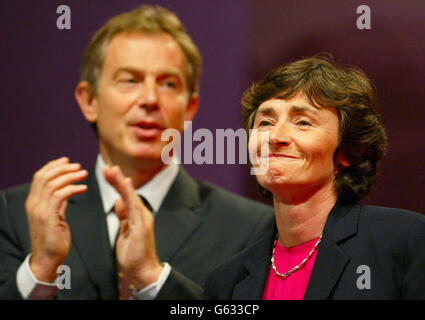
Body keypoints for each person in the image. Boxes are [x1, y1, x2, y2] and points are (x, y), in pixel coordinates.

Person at [0, 4, 273, 300]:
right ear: (89, 100)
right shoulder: (16, 214)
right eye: (129, 80)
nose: (150, 99)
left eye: (168, 83)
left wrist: (153, 279)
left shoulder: (248, 228)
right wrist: (40, 272)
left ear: (189, 108)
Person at [204, 56, 425, 299]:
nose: (276, 136)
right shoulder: (226, 283)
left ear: (347, 151)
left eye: (302, 122)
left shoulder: (406, 242)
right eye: (265, 122)